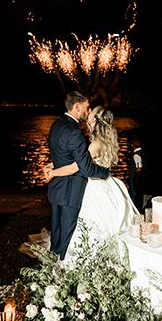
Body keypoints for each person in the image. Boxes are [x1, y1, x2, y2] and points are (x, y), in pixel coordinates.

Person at [45, 105, 138, 255]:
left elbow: (75, 167)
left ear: (94, 122)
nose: (87, 120)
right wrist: (51, 164)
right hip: (110, 184)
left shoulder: (95, 145)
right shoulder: (108, 142)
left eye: (90, 117)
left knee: (90, 223)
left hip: (94, 187)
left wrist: (53, 172)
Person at [47, 92, 110, 260]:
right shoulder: (75, 133)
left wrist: (51, 169)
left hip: (56, 190)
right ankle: (60, 278)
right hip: (70, 191)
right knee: (67, 242)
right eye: (87, 107)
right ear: (77, 107)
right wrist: (105, 172)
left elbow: (61, 156)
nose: (88, 111)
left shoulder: (56, 125)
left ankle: (50, 273)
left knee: (56, 239)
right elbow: (87, 169)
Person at [128, 134, 146, 212]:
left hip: (136, 177)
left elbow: (139, 167)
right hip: (140, 177)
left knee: (134, 194)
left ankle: (136, 209)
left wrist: (135, 180)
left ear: (132, 145)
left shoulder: (136, 155)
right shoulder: (142, 152)